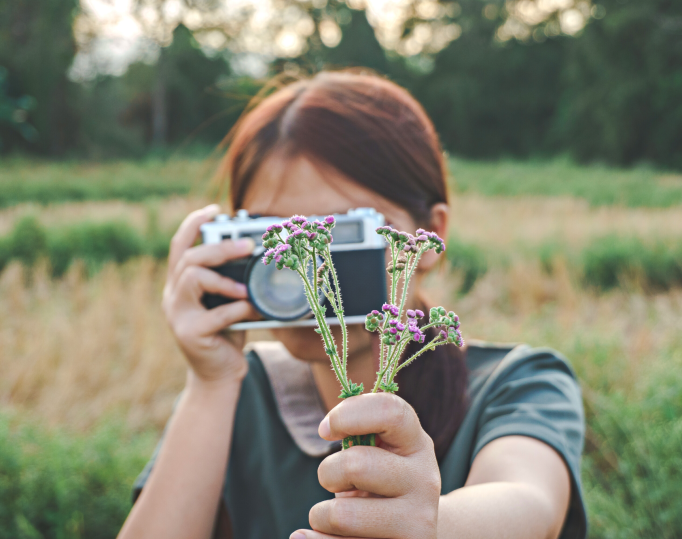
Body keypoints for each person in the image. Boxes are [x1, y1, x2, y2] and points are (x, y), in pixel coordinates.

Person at [118, 70, 586, 539]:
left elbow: (529, 503)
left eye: (338, 234)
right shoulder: (239, 391)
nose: (306, 272)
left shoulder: (515, 384)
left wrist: (429, 526)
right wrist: (210, 381)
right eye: (278, 239)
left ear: (429, 237)